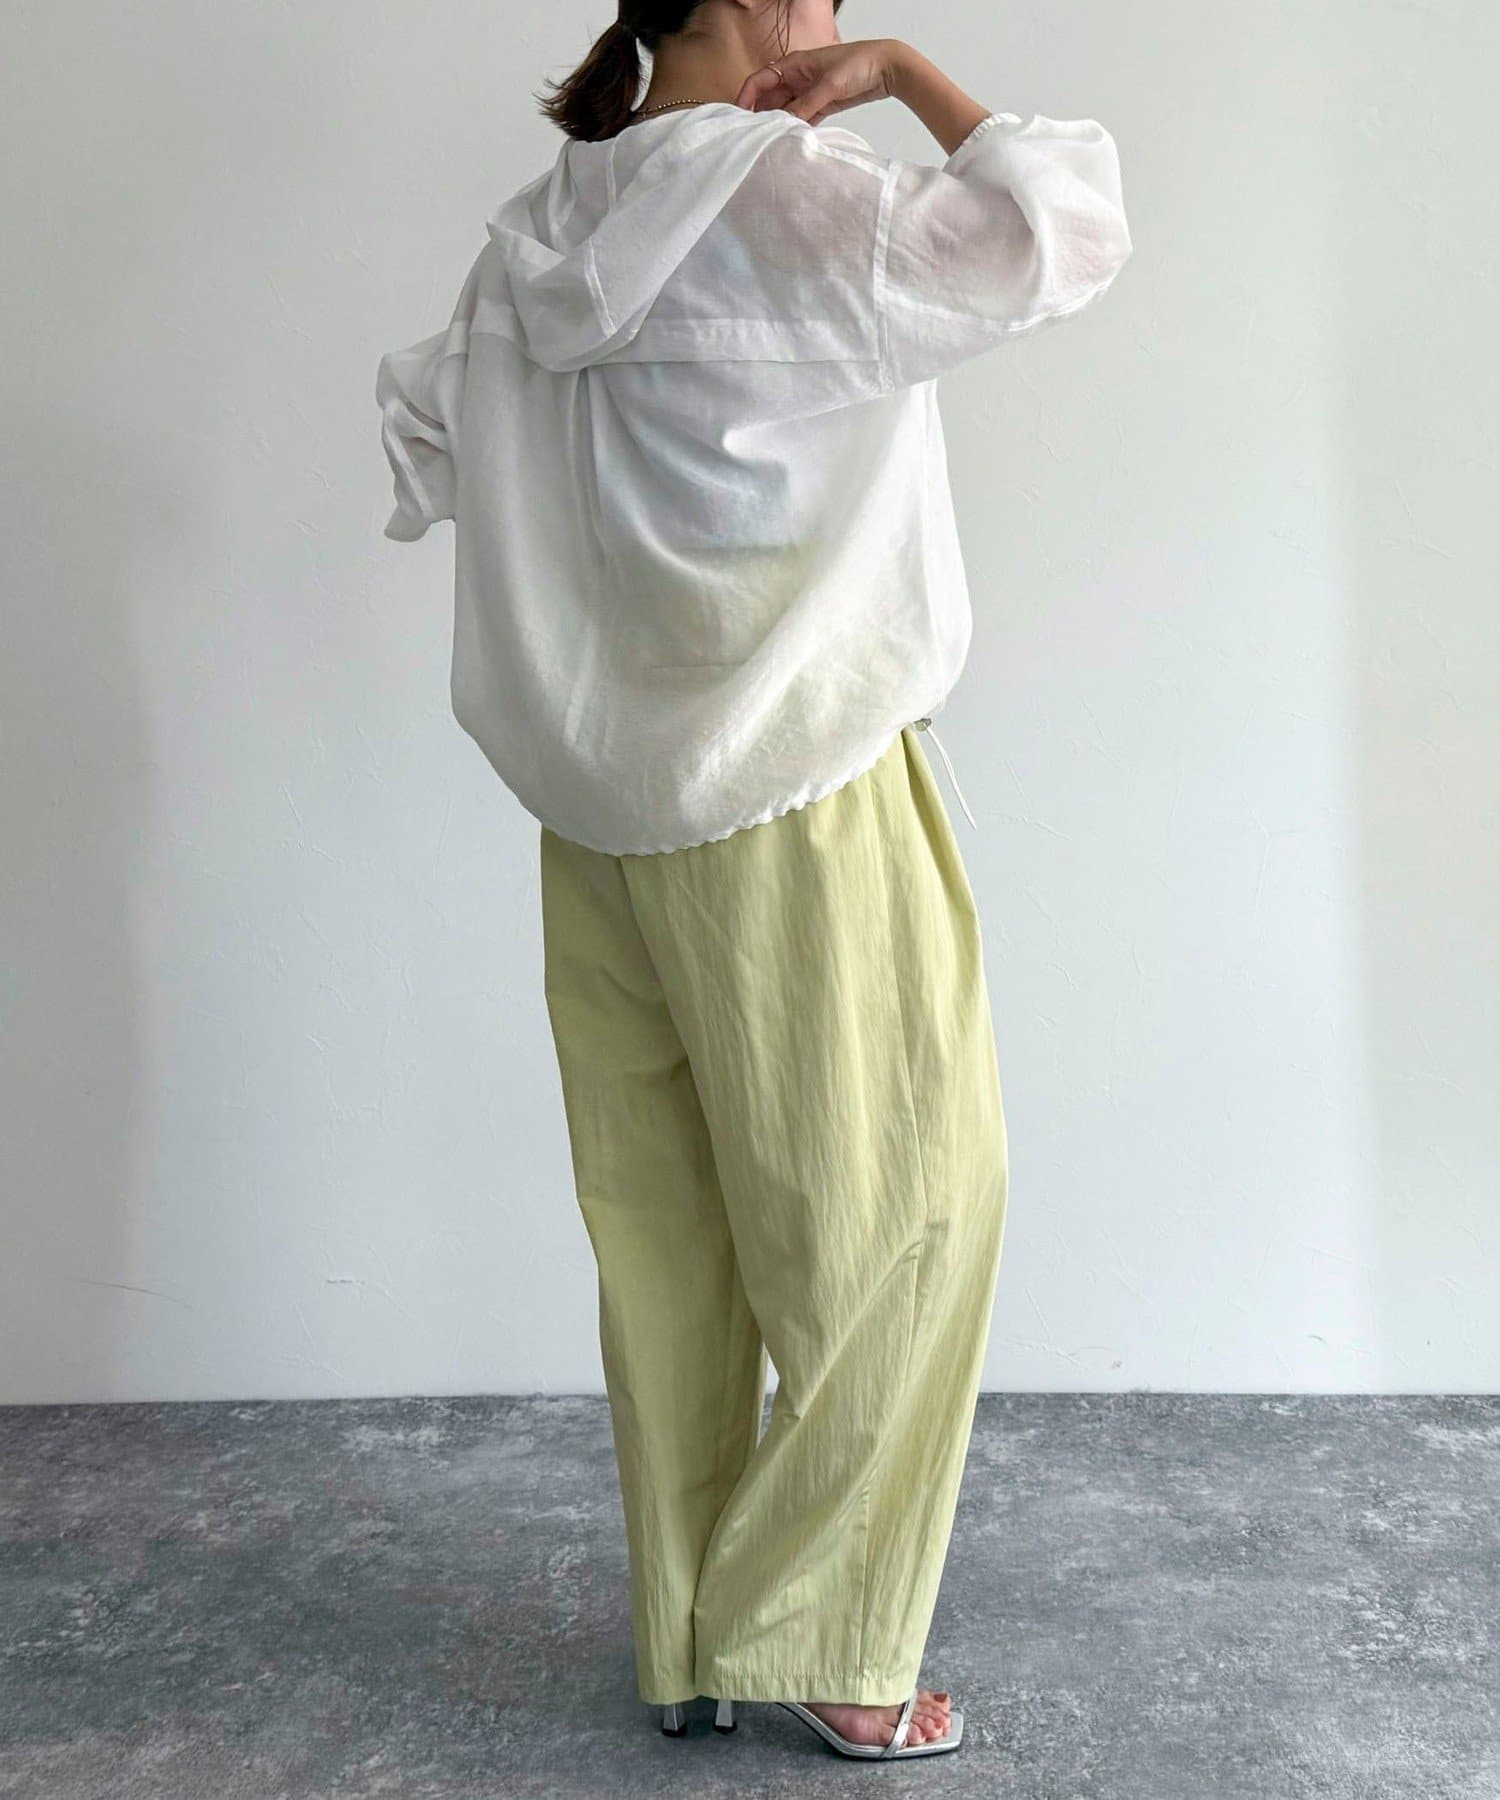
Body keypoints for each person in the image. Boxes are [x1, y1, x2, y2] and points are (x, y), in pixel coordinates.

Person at [376, 0, 1131, 1763]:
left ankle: (693, 1637)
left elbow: (430, 443)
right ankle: (834, 1644)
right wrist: (908, 80)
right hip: (795, 793)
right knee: (908, 1215)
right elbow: (1059, 232)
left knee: (671, 1237)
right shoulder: (784, 193)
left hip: (602, 821)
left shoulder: (546, 230)